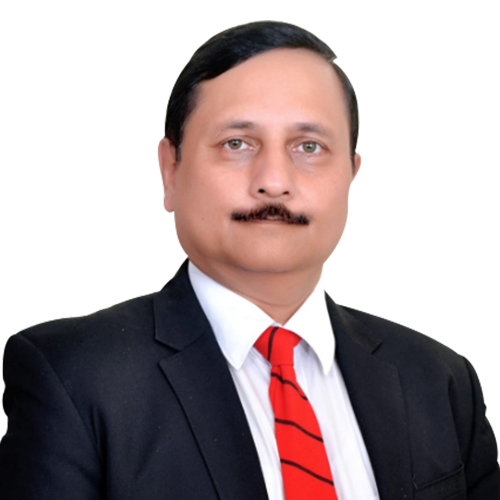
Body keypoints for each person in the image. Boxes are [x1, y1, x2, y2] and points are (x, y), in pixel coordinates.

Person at [0, 21, 498, 500]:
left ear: (352, 175)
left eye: (309, 146)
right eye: (236, 143)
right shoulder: (75, 377)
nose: (274, 181)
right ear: (170, 171)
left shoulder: (437, 380)